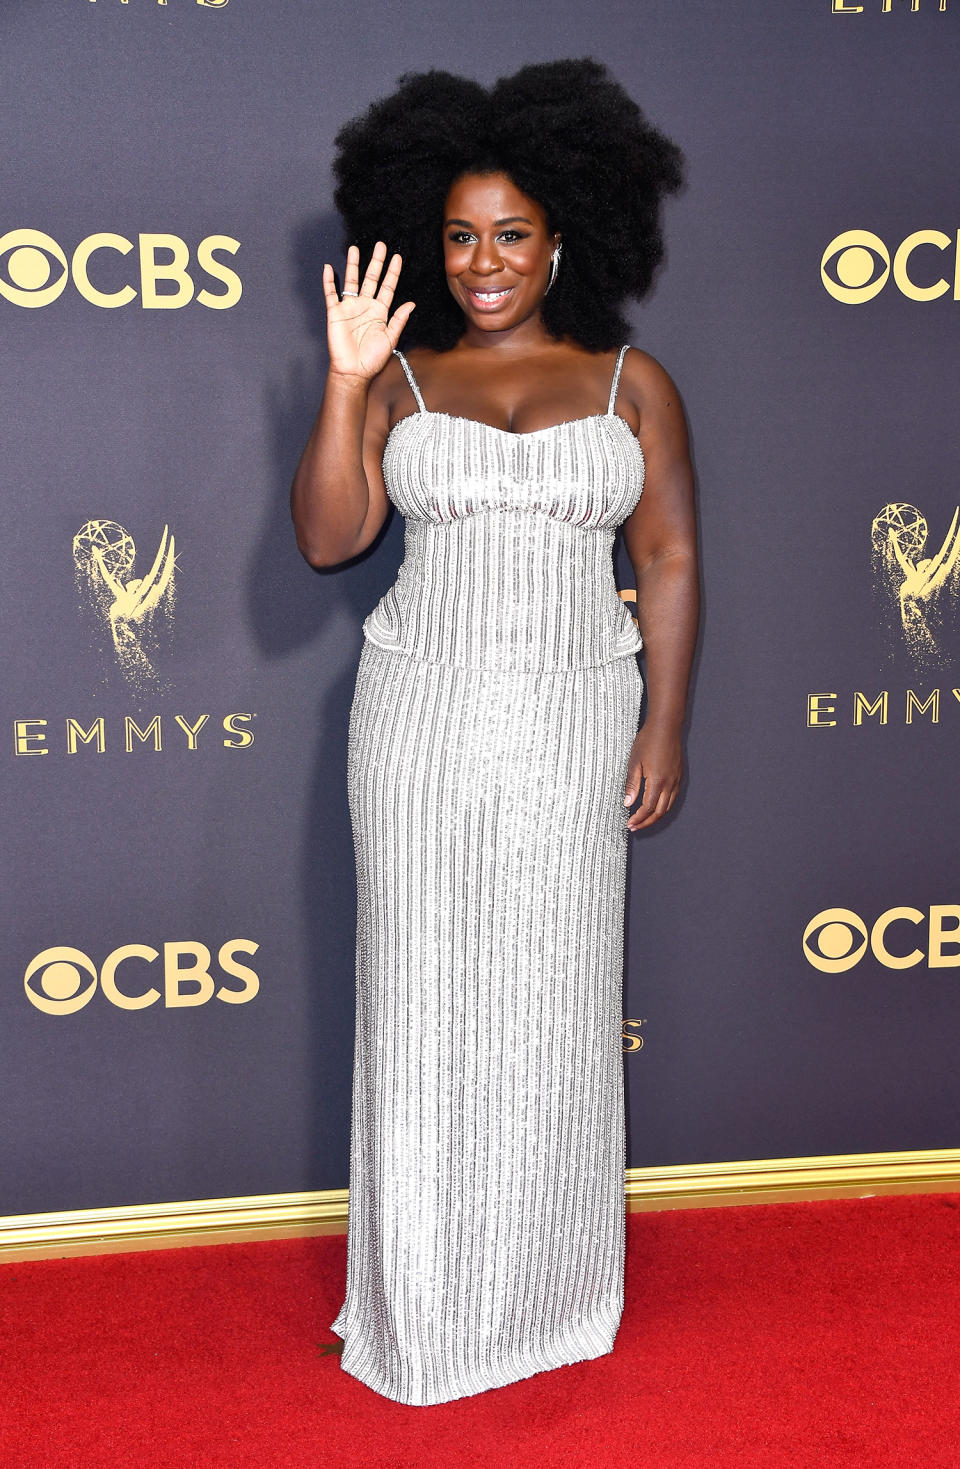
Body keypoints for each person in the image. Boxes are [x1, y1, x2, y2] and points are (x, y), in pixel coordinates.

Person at [291, 58, 699, 1406]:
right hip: (420, 721)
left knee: (554, 1005)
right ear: (430, 239)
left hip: (579, 716)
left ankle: (545, 1290)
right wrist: (347, 383)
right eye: (460, 235)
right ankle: (422, 1297)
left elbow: (675, 557)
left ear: (564, 235)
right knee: (420, 1008)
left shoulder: (634, 379)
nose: (484, 262)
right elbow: (330, 536)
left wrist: (665, 726)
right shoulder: (401, 376)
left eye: (510, 233)